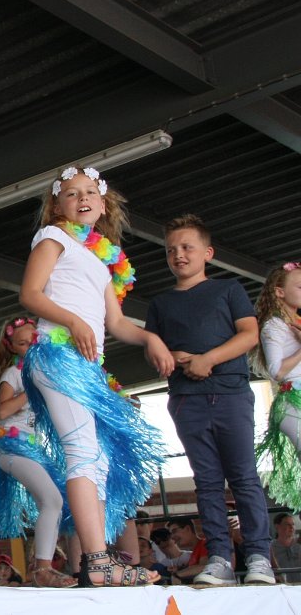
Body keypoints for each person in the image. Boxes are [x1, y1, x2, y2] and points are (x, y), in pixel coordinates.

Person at [19, 165, 173, 588]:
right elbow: (30, 294)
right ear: (57, 205)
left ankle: (100, 556)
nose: (81, 198)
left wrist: (151, 339)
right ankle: (97, 562)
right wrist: (73, 321)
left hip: (86, 366)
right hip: (57, 354)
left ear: (103, 204)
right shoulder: (54, 239)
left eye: (90, 192)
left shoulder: (101, 259)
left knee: (98, 459)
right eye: (71, 193)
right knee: (83, 451)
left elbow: (118, 323)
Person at [146, 213, 274, 585]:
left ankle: (258, 557)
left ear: (208, 252)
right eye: (172, 250)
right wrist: (171, 358)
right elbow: (156, 352)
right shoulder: (160, 303)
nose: (179, 255)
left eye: (187, 247)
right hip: (186, 399)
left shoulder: (229, 290)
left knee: (244, 477)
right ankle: (219, 556)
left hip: (230, 393)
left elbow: (249, 335)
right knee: (207, 480)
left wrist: (207, 359)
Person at [0, 316, 76, 588]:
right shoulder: (15, 374)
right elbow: (3, 410)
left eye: (33, 340)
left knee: (59, 503)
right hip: (12, 447)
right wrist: (32, 390)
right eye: (22, 343)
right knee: (52, 500)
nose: (29, 346)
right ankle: (42, 567)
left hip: (29, 449)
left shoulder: (41, 371)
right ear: (12, 348)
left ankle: (47, 562)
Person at [253, 262, 301, 513]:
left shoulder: (296, 322)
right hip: (292, 402)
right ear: (280, 291)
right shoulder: (274, 325)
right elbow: (276, 370)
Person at [272, 513, 301, 584]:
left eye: (293, 524)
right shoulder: (271, 547)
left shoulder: (299, 543)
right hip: (283, 587)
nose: (291, 527)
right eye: (287, 524)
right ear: (277, 527)